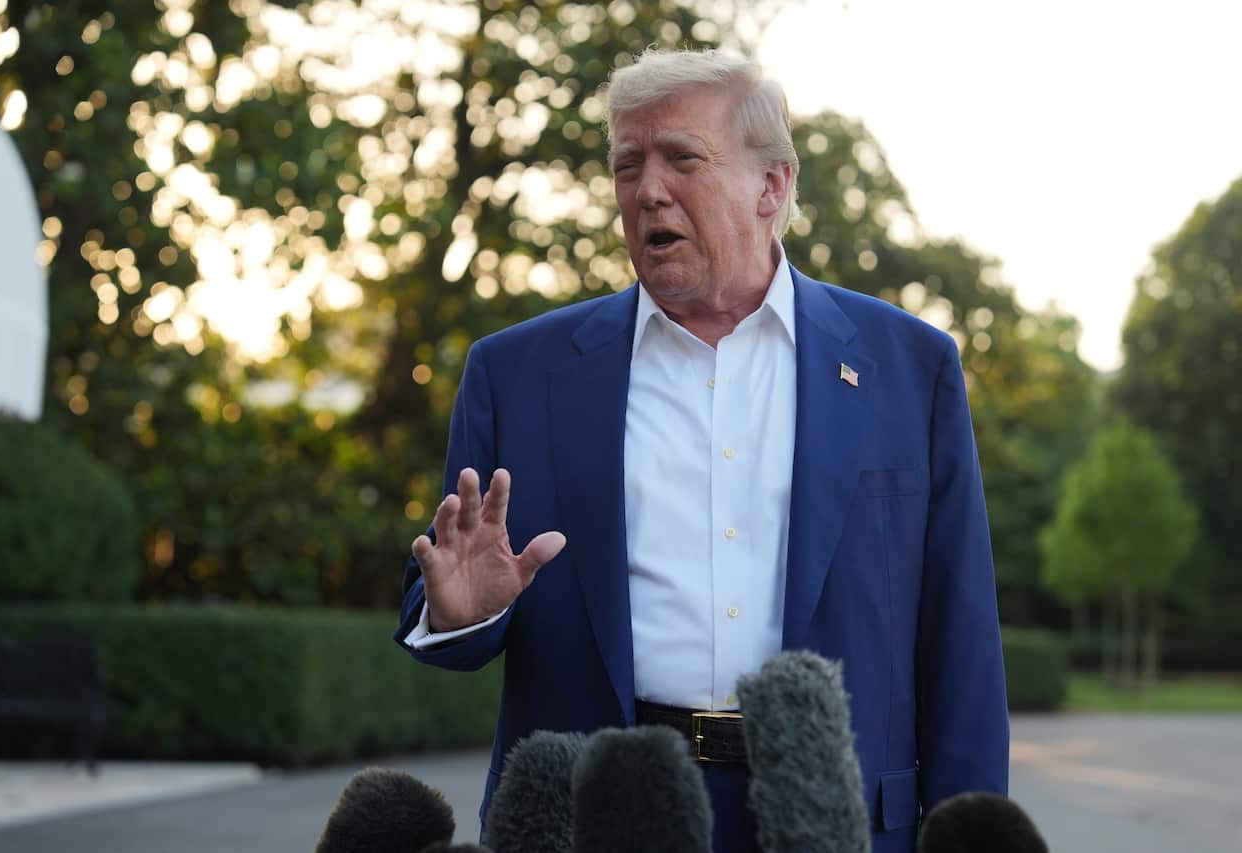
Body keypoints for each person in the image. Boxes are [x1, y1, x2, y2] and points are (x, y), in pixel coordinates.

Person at [395, 49, 1009, 853]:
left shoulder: (909, 366)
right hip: (595, 816)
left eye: (683, 157)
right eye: (627, 165)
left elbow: (959, 636)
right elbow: (441, 609)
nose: (648, 188)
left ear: (772, 185)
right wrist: (459, 612)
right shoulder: (518, 373)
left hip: (839, 817)